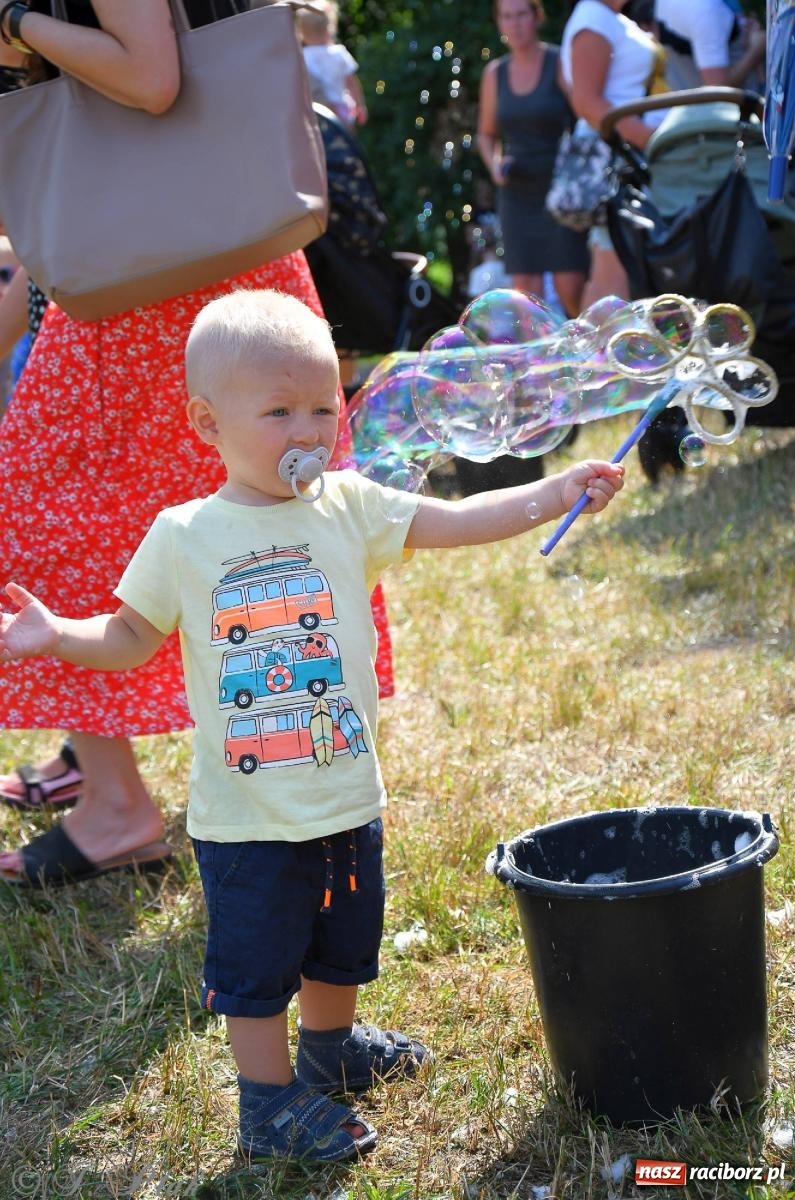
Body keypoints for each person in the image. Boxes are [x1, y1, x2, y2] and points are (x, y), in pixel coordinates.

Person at [0, 287, 624, 1162]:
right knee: (256, 971)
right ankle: (266, 1106)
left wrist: (552, 490)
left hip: (342, 788)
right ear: (206, 423)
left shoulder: (349, 506)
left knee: (345, 939)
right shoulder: (184, 534)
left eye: (325, 406)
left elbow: (455, 520)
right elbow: (130, 635)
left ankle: (331, 1051)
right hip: (247, 821)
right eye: (280, 410)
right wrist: (54, 632)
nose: (309, 430)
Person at [0, 0, 395, 884]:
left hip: (159, 274)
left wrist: (20, 24)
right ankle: (296, 773)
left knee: (43, 513)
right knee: (258, 514)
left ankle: (136, 804)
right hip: (198, 251)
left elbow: (150, 75)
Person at [477, 0, 588, 318]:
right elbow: (486, 134)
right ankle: (541, 365)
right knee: (525, 293)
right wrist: (494, 164)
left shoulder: (559, 62)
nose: (515, 24)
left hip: (560, 192)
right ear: (499, 23)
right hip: (516, 192)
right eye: (507, 17)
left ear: (537, 16)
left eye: (522, 14)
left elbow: (584, 115)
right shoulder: (494, 74)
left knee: (570, 286)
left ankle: (583, 356)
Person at [560, 0, 665, 305]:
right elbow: (587, 101)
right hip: (616, 158)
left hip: (623, 154)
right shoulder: (593, 17)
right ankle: (599, 350)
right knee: (613, 259)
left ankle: (596, 347)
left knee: (611, 254)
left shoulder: (609, 17)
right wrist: (653, 140)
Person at [653, 0, 766, 93]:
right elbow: (717, 87)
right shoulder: (706, 11)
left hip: (691, 106)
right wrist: (756, 50)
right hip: (734, 113)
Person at [296, 0, 367, 130]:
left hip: (316, 112)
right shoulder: (339, 53)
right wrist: (360, 105)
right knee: (346, 142)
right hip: (342, 110)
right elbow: (351, 82)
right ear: (330, 29)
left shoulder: (302, 57)